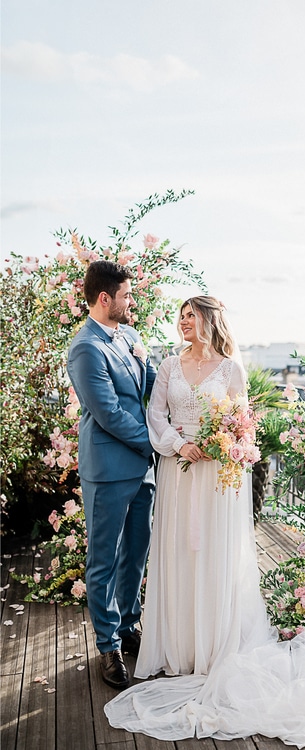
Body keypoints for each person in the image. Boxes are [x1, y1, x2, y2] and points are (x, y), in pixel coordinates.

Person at [104, 296, 305, 746]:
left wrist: (221, 444)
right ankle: (180, 647)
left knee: (213, 556)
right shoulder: (170, 365)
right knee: (176, 552)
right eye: (182, 316)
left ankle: (214, 645)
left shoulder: (232, 370)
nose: (184, 322)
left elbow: (245, 426)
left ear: (210, 320)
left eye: (192, 315)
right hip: (178, 468)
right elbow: (155, 414)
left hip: (216, 476)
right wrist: (176, 443)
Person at [67, 260, 157, 690]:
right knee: (103, 560)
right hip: (109, 468)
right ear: (105, 298)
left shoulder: (132, 337)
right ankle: (108, 646)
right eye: (125, 295)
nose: (130, 301)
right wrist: (157, 443)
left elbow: (151, 384)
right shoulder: (86, 348)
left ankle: (128, 626)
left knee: (136, 553)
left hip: (142, 470)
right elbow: (108, 414)